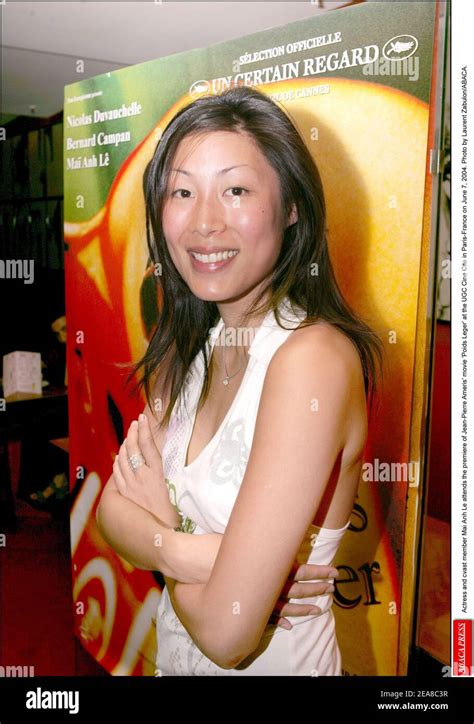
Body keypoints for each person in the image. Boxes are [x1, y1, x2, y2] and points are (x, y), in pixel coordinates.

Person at [97, 85, 383, 676]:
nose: (204, 222)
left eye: (236, 190)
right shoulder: (188, 350)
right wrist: (189, 550)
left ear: (292, 207)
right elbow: (110, 510)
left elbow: (228, 632)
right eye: (182, 191)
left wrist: (159, 533)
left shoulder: (313, 361)